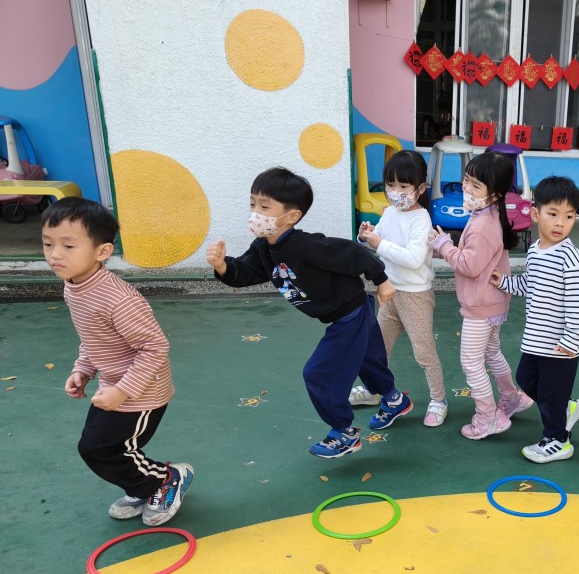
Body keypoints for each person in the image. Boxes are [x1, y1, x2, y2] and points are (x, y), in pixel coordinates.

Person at [206, 167, 412, 459]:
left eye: (265, 207)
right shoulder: (264, 247)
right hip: (346, 311)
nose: (255, 213)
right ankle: (394, 400)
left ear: (292, 216)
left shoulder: (307, 246)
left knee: (319, 373)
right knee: (368, 361)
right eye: (253, 204)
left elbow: (353, 253)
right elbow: (245, 272)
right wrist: (222, 266)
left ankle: (344, 432)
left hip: (349, 313)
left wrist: (382, 280)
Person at [41, 197, 193, 525]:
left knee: (100, 448)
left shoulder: (118, 299)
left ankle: (166, 480)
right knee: (99, 445)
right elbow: (93, 336)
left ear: (102, 251)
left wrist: (123, 391)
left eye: (68, 245)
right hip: (113, 384)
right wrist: (83, 369)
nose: (55, 254)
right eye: (48, 244)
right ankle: (141, 487)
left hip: (142, 392)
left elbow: (155, 348)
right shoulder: (74, 287)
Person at [429, 152, 530, 439]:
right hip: (493, 301)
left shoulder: (483, 224)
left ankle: (488, 417)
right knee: (491, 353)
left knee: (471, 362)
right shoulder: (489, 214)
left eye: (476, 185)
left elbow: (469, 266)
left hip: (481, 305)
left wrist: (444, 245)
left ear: (494, 194)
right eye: (466, 181)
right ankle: (511, 398)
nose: (467, 189)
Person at [492, 176, 579, 463]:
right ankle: (565, 408)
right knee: (525, 378)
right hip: (536, 339)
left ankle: (558, 440)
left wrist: (571, 338)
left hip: (560, 346)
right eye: (553, 214)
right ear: (535, 214)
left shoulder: (570, 258)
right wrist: (505, 283)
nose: (560, 223)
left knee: (549, 394)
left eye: (569, 216)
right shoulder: (535, 250)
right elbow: (530, 284)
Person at [351, 150, 448, 427]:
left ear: (420, 188)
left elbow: (413, 258)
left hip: (415, 296)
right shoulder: (391, 212)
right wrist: (366, 235)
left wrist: (378, 243)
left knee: (424, 352)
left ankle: (439, 399)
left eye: (404, 186)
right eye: (390, 185)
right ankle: (373, 390)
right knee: (377, 349)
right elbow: (379, 239)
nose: (396, 192)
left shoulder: (421, 219)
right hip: (389, 291)